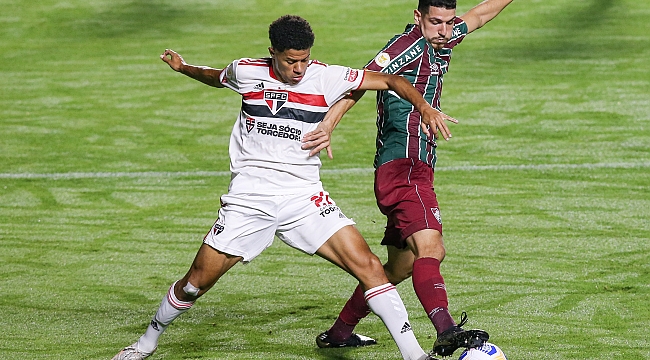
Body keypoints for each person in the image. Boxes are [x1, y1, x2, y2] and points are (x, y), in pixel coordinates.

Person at [112, 14, 456, 360]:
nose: (299, 68)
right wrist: (183, 67)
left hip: (304, 196)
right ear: (273, 52)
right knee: (194, 284)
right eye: (291, 60)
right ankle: (146, 342)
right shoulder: (246, 71)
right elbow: (215, 77)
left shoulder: (326, 75)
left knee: (368, 266)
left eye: (304, 59)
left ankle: (416, 356)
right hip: (250, 198)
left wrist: (424, 107)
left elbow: (390, 80)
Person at [302, 0, 514, 357]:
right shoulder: (404, 48)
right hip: (404, 168)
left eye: (448, 22)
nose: (444, 30)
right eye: (435, 22)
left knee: (400, 266)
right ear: (418, 18)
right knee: (432, 249)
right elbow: (358, 83)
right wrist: (328, 124)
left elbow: (479, 15)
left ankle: (339, 333)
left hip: (412, 169)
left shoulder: (442, 38)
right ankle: (446, 329)